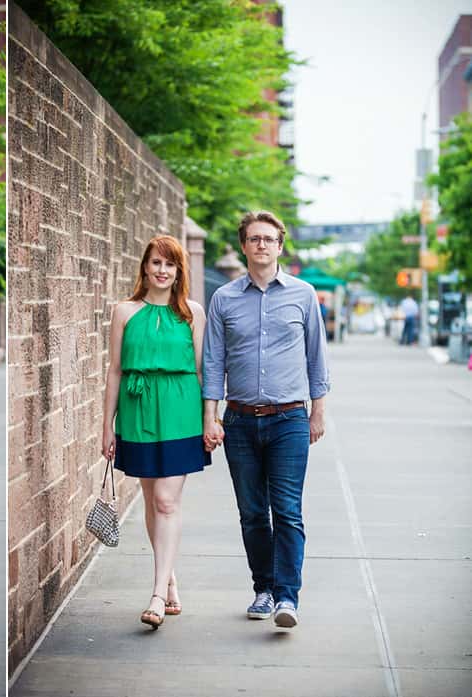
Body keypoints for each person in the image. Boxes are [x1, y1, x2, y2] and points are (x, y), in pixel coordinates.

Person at [202, 211, 330, 629]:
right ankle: (264, 589)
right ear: (243, 246)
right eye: (254, 238)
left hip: (290, 419)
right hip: (238, 421)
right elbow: (213, 361)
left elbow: (316, 357)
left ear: (280, 245)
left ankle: (287, 597)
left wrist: (318, 411)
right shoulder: (223, 298)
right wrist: (211, 416)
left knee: (288, 511)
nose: (261, 245)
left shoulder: (304, 295)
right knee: (253, 512)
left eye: (269, 239)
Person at [101, 234, 209, 629]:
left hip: (181, 410)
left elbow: (202, 372)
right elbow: (114, 370)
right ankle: (170, 577)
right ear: (145, 267)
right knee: (150, 499)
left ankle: (157, 595)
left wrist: (209, 419)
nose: (163, 271)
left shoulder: (192, 313)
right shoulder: (124, 312)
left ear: (179, 271)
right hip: (138, 410)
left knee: (166, 501)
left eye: (170, 264)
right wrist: (106, 426)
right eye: (156, 263)